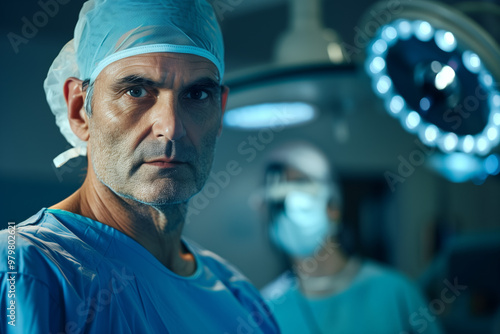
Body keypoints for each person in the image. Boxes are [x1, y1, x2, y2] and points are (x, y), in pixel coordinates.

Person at [0, 1, 280, 333]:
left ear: (219, 110)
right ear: (78, 109)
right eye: (137, 91)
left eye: (197, 95)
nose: (171, 127)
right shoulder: (24, 271)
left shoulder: (242, 301)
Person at [260, 142, 443, 334]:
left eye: (300, 194)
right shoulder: (266, 308)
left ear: (333, 207)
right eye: (279, 203)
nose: (290, 210)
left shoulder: (394, 293)